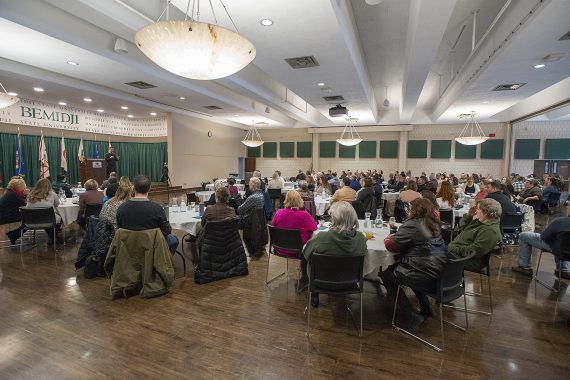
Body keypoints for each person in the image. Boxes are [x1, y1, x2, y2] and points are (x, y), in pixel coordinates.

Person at [381, 198, 447, 329]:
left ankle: (411, 315)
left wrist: (389, 237)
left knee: (387, 277)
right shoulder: (434, 223)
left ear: (415, 210)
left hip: (424, 270)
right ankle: (426, 308)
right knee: (399, 272)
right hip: (438, 268)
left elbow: (391, 246)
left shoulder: (413, 224)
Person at [303, 201, 367, 307]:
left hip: (320, 282)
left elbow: (305, 254)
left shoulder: (320, 238)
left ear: (334, 218)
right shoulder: (361, 238)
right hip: (350, 283)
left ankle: (314, 293)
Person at [116, 174, 178, 255]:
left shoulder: (121, 208)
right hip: (152, 248)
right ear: (149, 188)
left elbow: (119, 229)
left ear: (133, 188)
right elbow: (167, 231)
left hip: (129, 248)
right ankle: (163, 264)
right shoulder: (157, 208)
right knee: (173, 240)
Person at [512, 195, 570, 279]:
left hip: (558, 249)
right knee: (562, 242)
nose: (566, 206)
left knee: (524, 236)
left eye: (567, 204)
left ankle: (524, 267)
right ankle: (564, 269)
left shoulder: (560, 222)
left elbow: (544, 237)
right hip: (565, 250)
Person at [448, 199, 502, 272]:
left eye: (478, 209)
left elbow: (473, 252)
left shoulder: (490, 231)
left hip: (469, 260)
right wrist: (468, 215)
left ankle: (447, 281)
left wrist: (453, 248)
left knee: (433, 260)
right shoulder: (482, 221)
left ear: (485, 213)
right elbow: (463, 227)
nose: (476, 211)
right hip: (459, 252)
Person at [272, 191, 317, 259]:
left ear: (286, 200)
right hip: (298, 250)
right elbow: (314, 227)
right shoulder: (304, 215)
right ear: (299, 200)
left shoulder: (279, 212)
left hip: (280, 248)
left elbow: (273, 225)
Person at [25, 178, 62, 245]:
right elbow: (58, 204)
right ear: (49, 186)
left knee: (48, 217)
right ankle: (53, 236)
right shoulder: (52, 194)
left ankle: (52, 237)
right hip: (48, 222)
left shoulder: (30, 195)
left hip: (30, 222)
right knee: (59, 217)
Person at [0, 177, 27, 245]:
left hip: (4, 216)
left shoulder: (9, 192)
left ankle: (13, 234)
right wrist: (25, 195)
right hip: (8, 217)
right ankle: (14, 235)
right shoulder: (13, 194)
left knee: (28, 218)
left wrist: (23, 195)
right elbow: (24, 204)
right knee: (31, 220)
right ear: (19, 186)